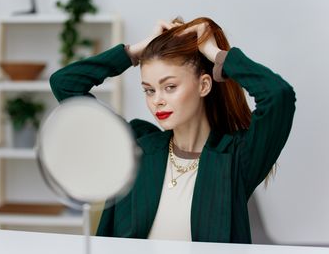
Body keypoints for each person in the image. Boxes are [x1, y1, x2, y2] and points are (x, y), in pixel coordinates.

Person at [49, 17, 296, 243]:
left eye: (169, 87)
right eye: (149, 90)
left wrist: (216, 54)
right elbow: (65, 84)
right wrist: (134, 52)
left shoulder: (236, 159)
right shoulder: (136, 146)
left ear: (204, 85)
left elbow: (279, 96)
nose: (157, 100)